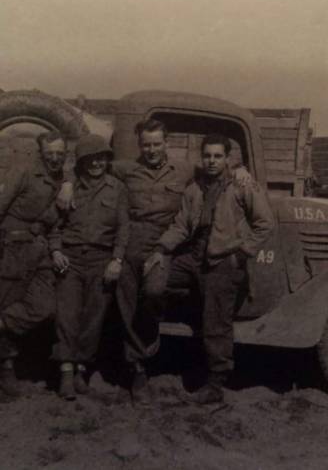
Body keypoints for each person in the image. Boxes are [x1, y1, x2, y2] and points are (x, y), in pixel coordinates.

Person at [109, 118, 251, 403]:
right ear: (139, 145)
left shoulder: (185, 169)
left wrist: (240, 169)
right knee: (128, 305)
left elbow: (215, 167)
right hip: (132, 243)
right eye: (146, 145)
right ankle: (137, 369)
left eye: (156, 144)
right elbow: (92, 168)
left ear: (167, 143)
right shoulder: (126, 169)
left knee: (153, 291)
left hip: (165, 243)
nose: (151, 150)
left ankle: (153, 348)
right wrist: (68, 183)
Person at [145, 133, 274, 404]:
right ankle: (151, 337)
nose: (212, 161)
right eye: (207, 156)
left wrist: (241, 254)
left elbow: (265, 223)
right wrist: (161, 249)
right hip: (194, 257)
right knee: (152, 280)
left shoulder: (242, 185)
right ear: (201, 158)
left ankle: (216, 383)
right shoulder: (195, 188)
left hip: (223, 260)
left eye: (217, 156)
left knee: (216, 321)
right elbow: (181, 225)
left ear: (227, 159)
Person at [50, 134, 129, 400]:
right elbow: (54, 225)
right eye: (90, 159)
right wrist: (56, 250)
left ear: (107, 160)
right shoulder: (68, 188)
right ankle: (66, 373)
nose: (96, 164)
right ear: (81, 162)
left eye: (101, 158)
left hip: (101, 260)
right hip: (70, 259)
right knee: (67, 316)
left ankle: (81, 371)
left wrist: (117, 260)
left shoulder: (117, 189)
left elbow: (123, 228)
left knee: (93, 318)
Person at [0, 130, 68, 397]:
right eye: (50, 153)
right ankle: (6, 369)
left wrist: (55, 249)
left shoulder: (62, 179)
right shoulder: (23, 171)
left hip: (40, 251)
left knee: (44, 307)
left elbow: (56, 224)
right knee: (8, 301)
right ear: (41, 153)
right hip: (13, 248)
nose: (55, 158)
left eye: (60, 153)